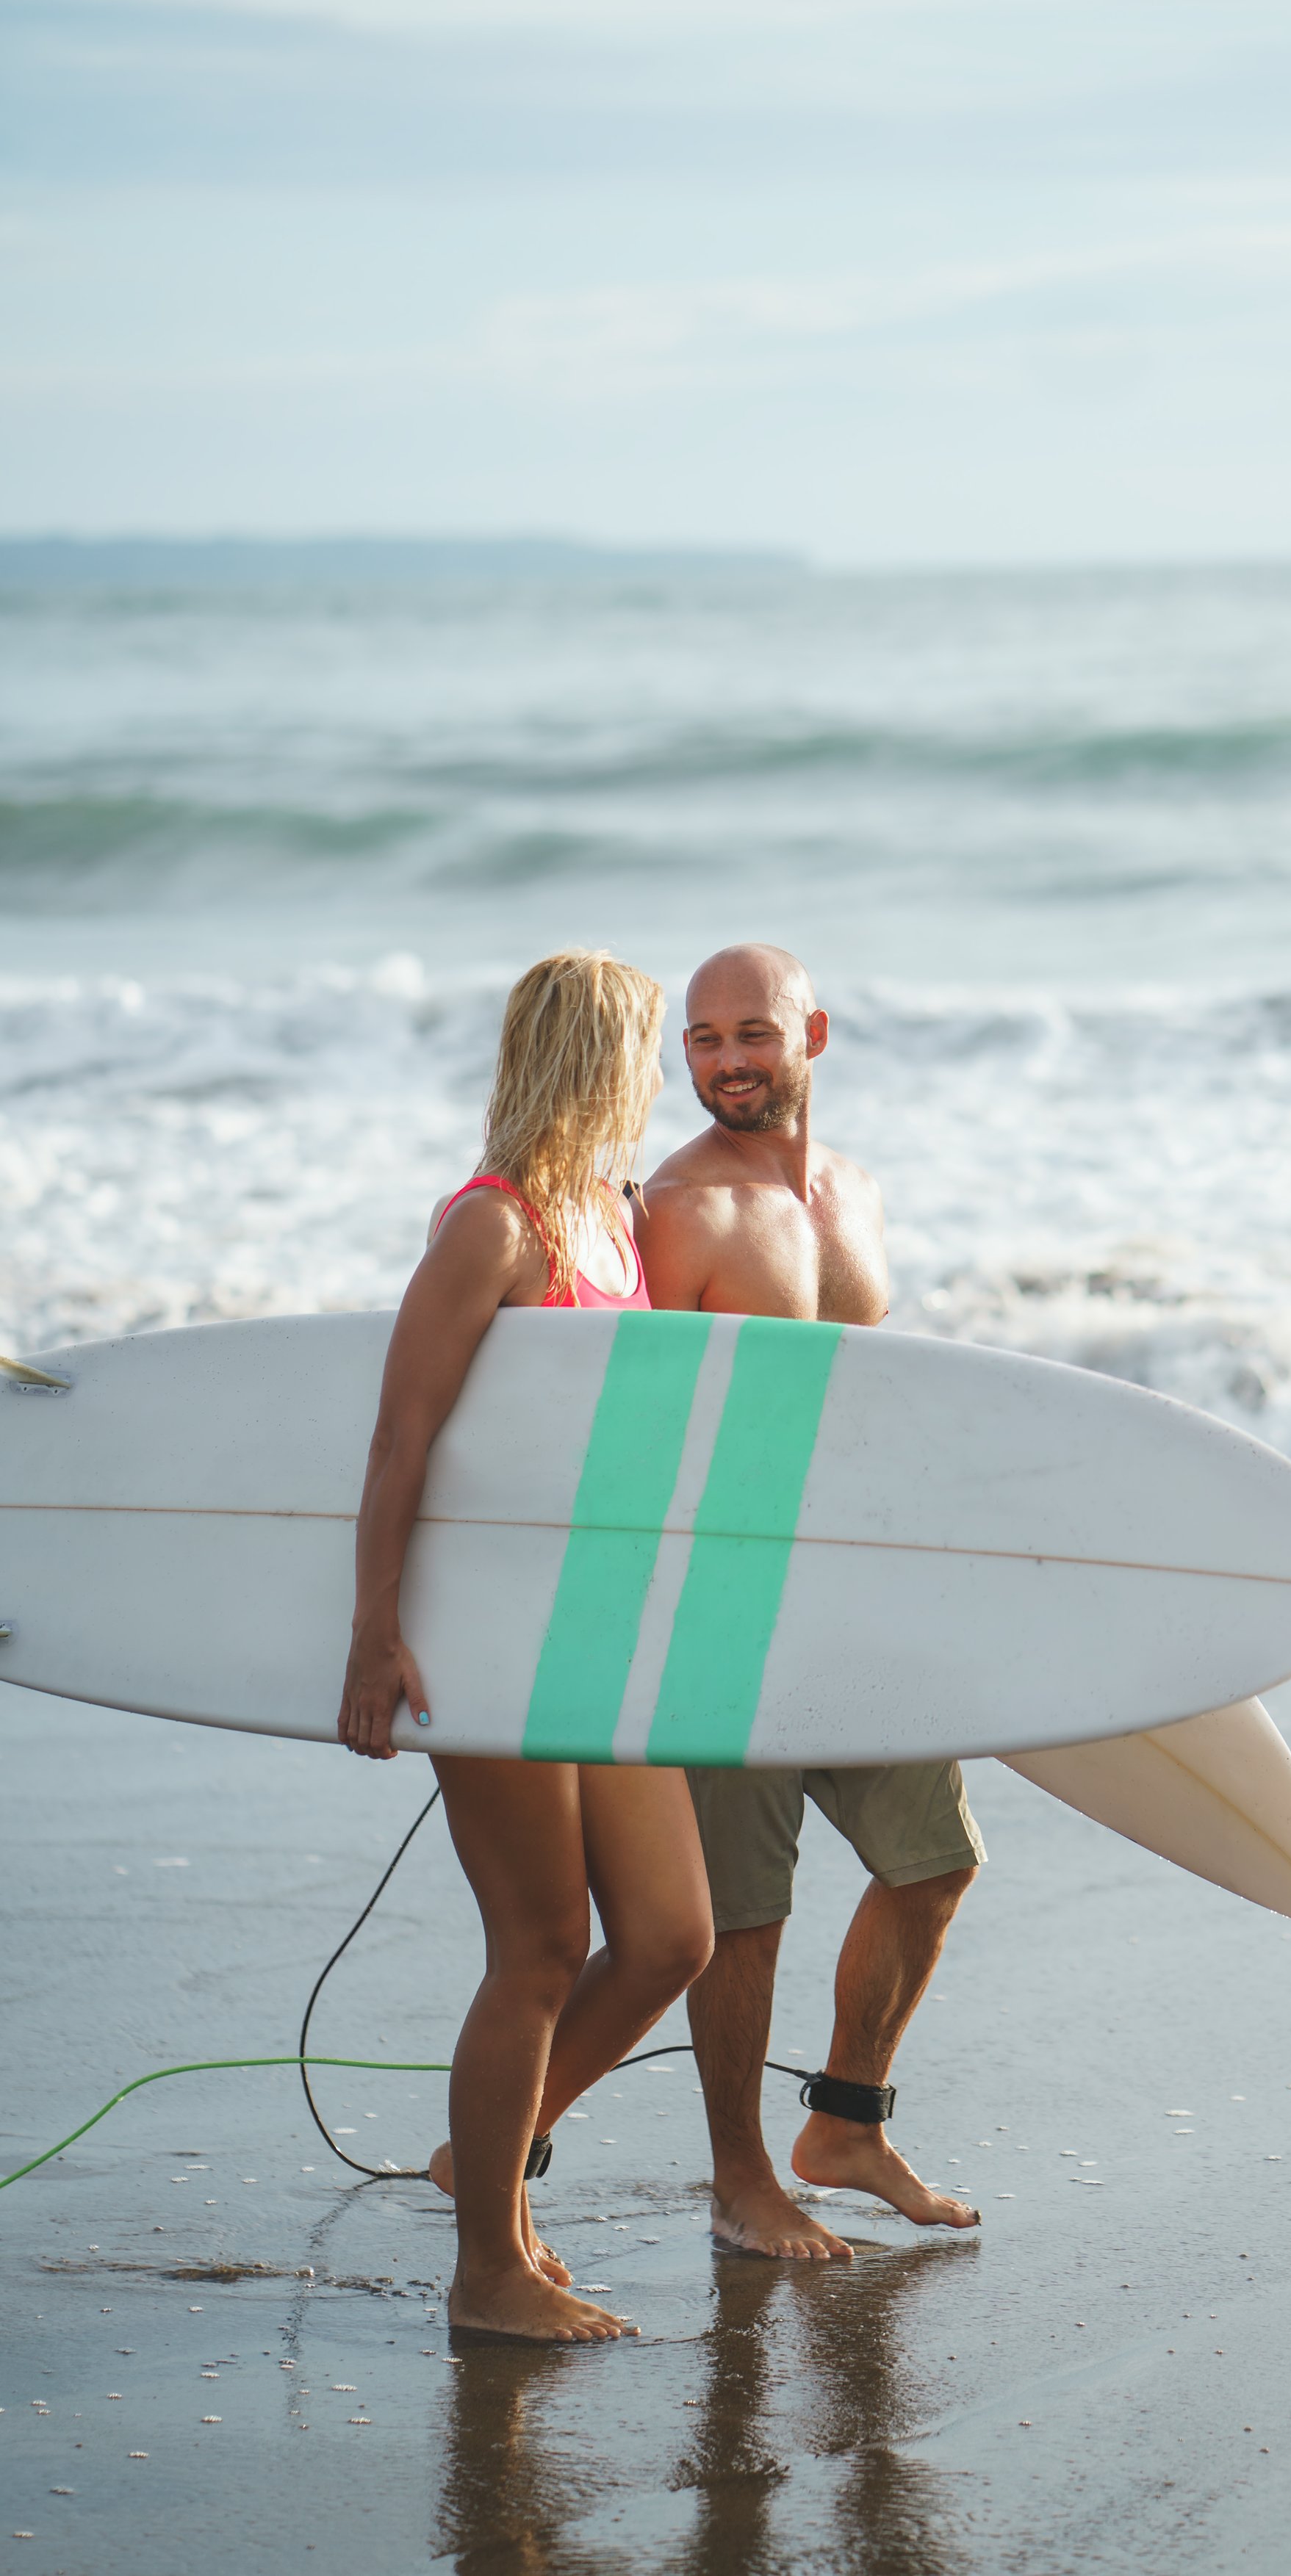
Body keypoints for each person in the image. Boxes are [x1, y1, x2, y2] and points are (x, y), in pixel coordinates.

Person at [338, 950, 715, 2345]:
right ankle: (488, 2268)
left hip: (598, 1628)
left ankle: (480, 2162)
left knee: (670, 1933)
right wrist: (375, 1636)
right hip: (492, 1631)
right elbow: (399, 1436)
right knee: (544, 1944)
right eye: (643, 1049)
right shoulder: (494, 1228)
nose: (656, 1079)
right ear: (596, 1059)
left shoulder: (617, 1224)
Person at [638, 942, 985, 2262]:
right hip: (725, 1597)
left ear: (814, 1036)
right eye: (705, 1038)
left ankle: (843, 2122)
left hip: (857, 1581)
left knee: (934, 1861)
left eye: (754, 1034)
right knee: (744, 1910)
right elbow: (628, 1422)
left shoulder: (859, 1193)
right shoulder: (676, 1208)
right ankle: (740, 2179)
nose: (728, 1060)